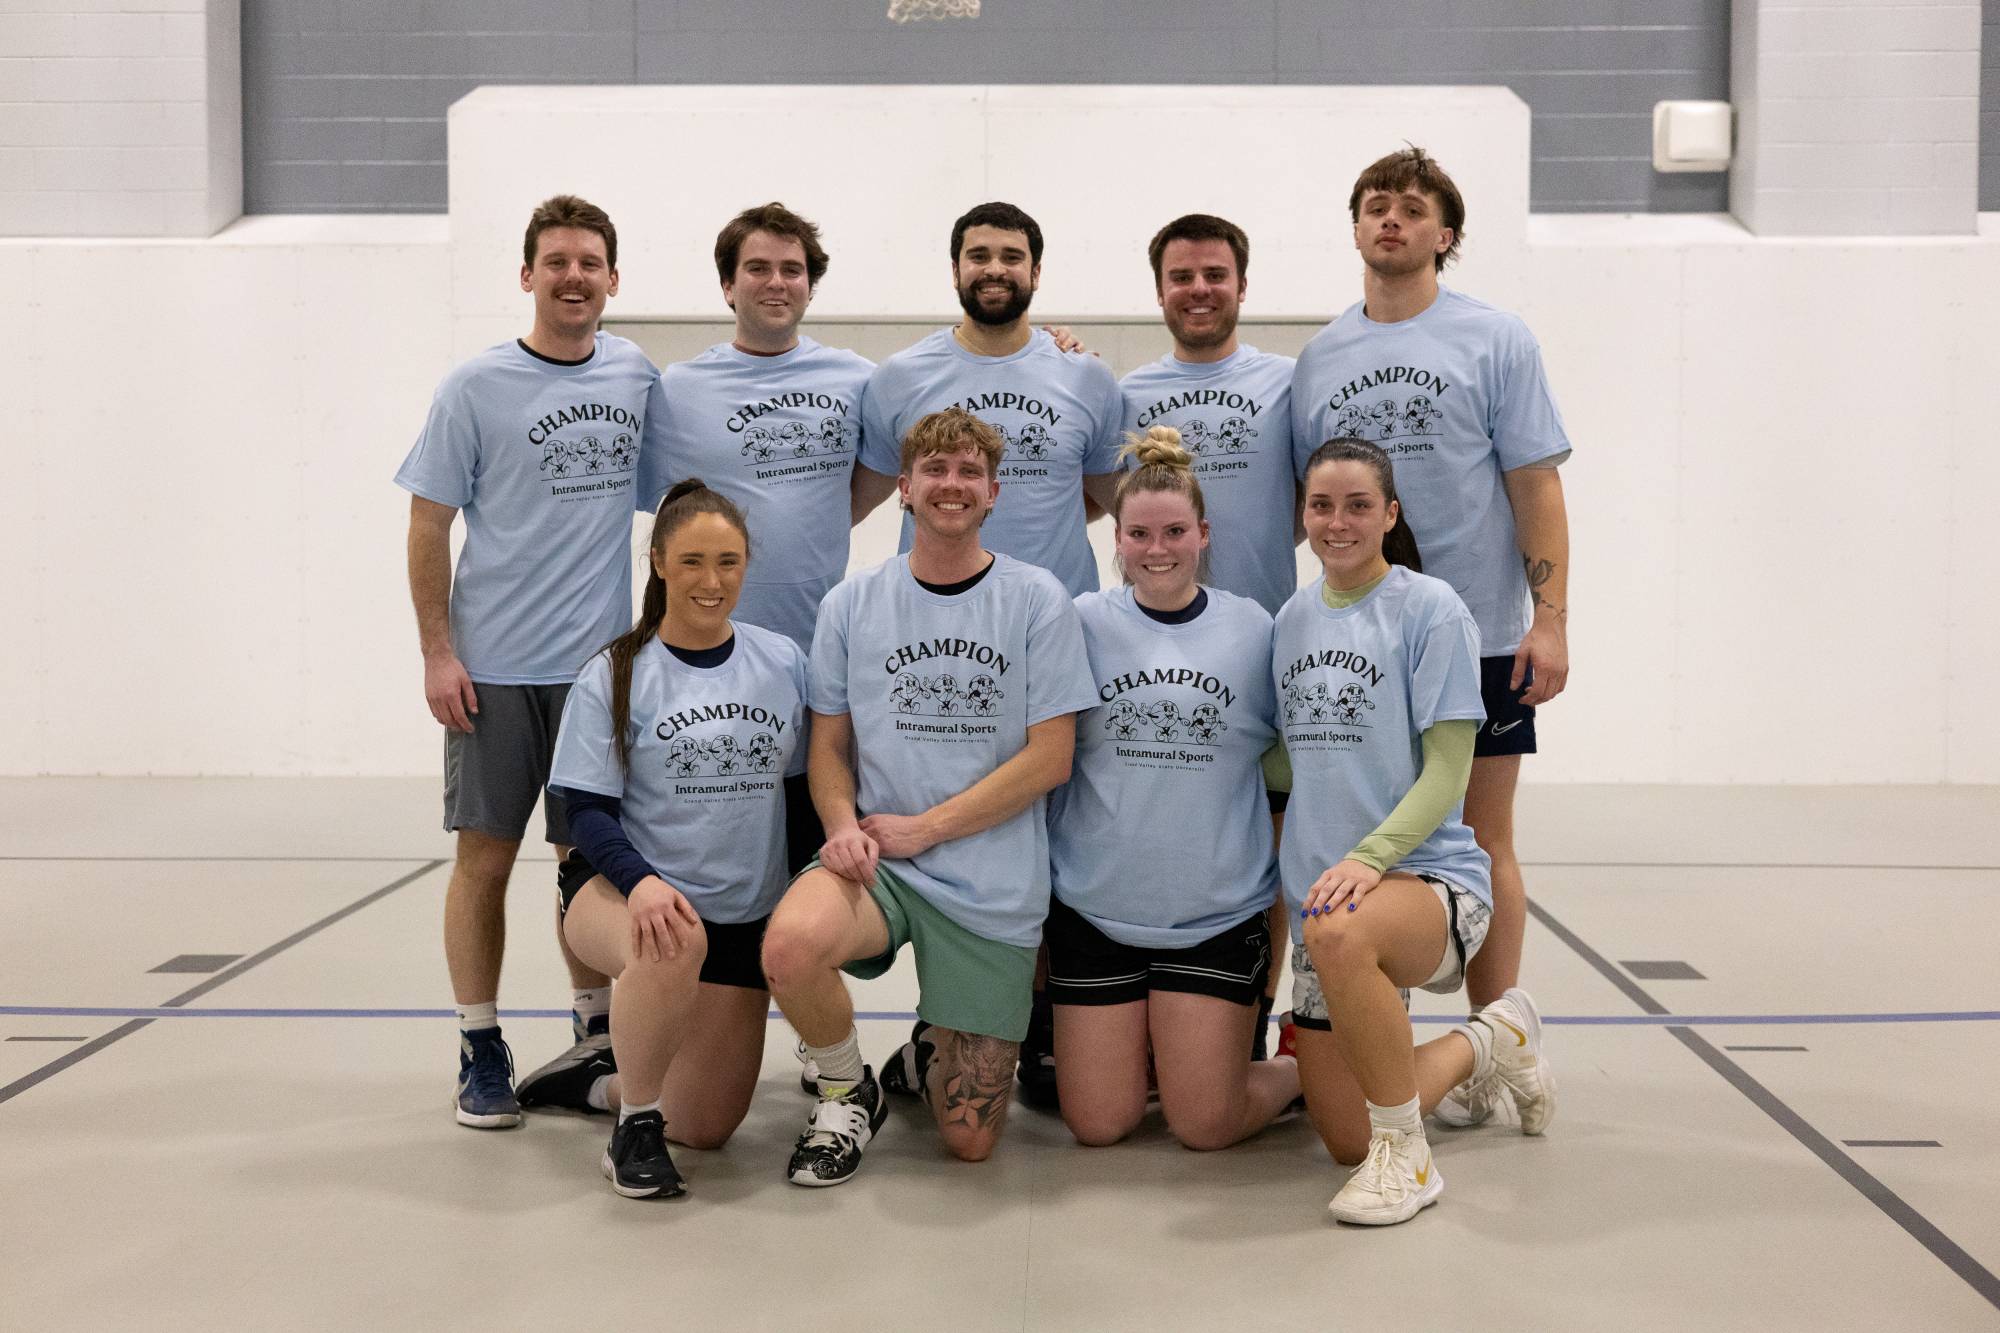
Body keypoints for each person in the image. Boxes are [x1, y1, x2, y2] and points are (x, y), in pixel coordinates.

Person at [1289, 148, 1573, 1126]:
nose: (1391, 222)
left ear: (1443, 235)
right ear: (1355, 226)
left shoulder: (1494, 340)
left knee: (1477, 837)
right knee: (1372, 842)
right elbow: (1304, 500)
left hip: (1482, 635)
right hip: (1362, 646)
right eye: (1375, 207)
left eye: (1412, 210)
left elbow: (1534, 483)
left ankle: (1499, 1036)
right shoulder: (1322, 353)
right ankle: (1391, 1042)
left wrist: (1549, 618)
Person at [760, 407, 1097, 1186]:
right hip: (882, 864)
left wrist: (928, 827)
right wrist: (840, 825)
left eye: (969, 472)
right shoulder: (851, 603)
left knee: (969, 1140)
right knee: (787, 946)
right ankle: (847, 1089)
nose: (952, 484)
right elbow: (830, 748)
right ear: (905, 489)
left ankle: (926, 1048)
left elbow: (1051, 757)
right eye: (935, 471)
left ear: (994, 492)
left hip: (989, 882)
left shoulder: (1037, 600)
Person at [394, 194, 660, 1129]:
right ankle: (479, 1044)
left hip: (596, 675)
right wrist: (439, 653)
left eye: (590, 262)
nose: (574, 276)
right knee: (485, 860)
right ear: (526, 276)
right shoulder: (475, 387)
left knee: (583, 857)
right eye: (556, 261)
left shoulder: (634, 374)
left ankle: (594, 1033)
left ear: (614, 279)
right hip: (494, 671)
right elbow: (429, 523)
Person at [1276, 438, 1553, 1225]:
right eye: (1323, 505)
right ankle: (1495, 1035)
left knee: (1337, 929)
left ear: (1390, 514)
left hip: (1426, 885)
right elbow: (1282, 756)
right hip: (1331, 898)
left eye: (1359, 505)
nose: (1339, 521)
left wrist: (1369, 859)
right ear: (1305, 517)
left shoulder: (1430, 610)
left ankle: (1410, 1160)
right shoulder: (1291, 620)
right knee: (1338, 1135)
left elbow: (1447, 772)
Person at [532, 481, 806, 1197]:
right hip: (619, 890)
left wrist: (802, 897)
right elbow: (583, 809)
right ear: (657, 562)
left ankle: (602, 1083)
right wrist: (642, 880)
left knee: (709, 1125)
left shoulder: (781, 662)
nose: (711, 581)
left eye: (728, 561)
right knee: (669, 938)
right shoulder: (618, 671)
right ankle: (634, 1130)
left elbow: (803, 790)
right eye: (691, 561)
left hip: (739, 914)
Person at [1045, 426, 1301, 1150]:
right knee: (1099, 1123)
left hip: (1213, 915)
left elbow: (1296, 755)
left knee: (1203, 1124)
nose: (1157, 548)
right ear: (1115, 538)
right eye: (1139, 533)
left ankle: (1301, 1064)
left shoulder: (1254, 629)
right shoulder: (1080, 623)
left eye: (1175, 531)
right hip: (1095, 910)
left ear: (1204, 534)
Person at [643, 202, 872, 880]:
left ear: (811, 284)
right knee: (714, 869)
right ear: (728, 285)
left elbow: (880, 475)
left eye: (792, 270)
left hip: (815, 658)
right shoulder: (679, 389)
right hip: (707, 663)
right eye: (758, 268)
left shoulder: (857, 380)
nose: (777, 282)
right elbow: (664, 510)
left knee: (810, 861)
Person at [1120, 212, 1300, 1054]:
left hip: (1264, 665)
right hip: (1153, 663)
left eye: (1214, 275)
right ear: (1159, 290)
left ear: (1241, 284)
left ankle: (1250, 1024)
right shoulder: (1126, 391)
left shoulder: (1288, 384)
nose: (1198, 290)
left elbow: (1317, 502)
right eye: (1182, 276)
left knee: (1268, 852)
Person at [852, 201, 1126, 599]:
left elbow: (1108, 495)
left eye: (1011, 257)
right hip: (932, 616)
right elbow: (851, 504)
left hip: (1057, 619)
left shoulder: (1087, 377)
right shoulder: (900, 377)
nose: (994, 268)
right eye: (978, 256)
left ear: (1035, 273)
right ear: (955, 271)